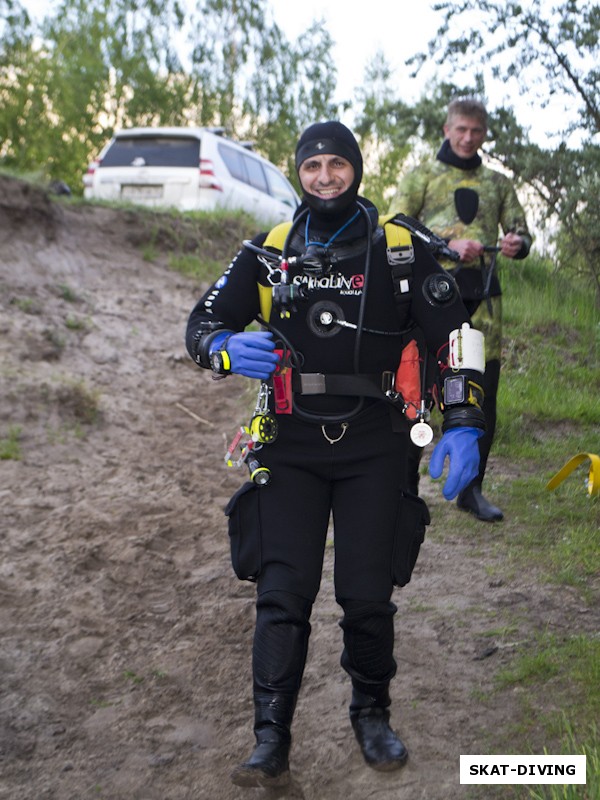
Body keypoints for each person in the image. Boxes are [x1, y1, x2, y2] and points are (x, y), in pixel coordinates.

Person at [186, 121, 487, 788]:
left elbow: (458, 341)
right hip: (289, 442)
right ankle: (270, 737)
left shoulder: (401, 252)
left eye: (336, 164)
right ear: (300, 172)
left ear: (356, 168)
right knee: (281, 595)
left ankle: (371, 713)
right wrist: (223, 350)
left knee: (366, 597)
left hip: (376, 446)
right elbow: (202, 322)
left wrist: (465, 420)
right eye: (312, 165)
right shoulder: (267, 253)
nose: (324, 176)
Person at [389, 98, 532, 522]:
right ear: (447, 130)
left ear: (484, 134)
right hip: (423, 305)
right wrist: (445, 246)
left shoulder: (498, 183)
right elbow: (394, 225)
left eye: (476, 131)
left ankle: (472, 490)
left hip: (483, 305)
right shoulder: (422, 176)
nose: (468, 138)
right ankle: (404, 491)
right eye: (461, 129)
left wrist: (517, 244)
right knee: (413, 397)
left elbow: (522, 232)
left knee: (481, 399)